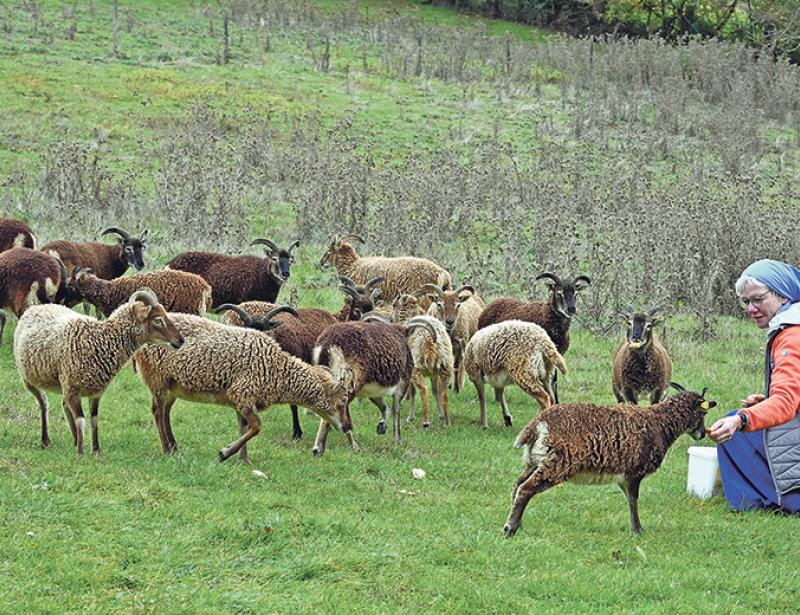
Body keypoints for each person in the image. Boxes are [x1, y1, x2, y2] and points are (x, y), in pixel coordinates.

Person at [707, 259, 800, 512]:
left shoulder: (791, 336)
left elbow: (785, 402)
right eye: (746, 301)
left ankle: (773, 502)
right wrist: (763, 404)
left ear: (783, 296)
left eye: (759, 299)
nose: (751, 308)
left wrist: (743, 420)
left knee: (733, 431)